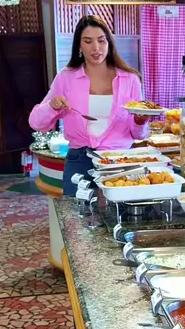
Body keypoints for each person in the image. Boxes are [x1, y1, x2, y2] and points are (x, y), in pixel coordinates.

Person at [29, 14, 149, 196]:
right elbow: (36, 123)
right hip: (79, 160)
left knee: (119, 212)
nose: (96, 48)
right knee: (77, 213)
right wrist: (52, 106)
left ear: (109, 43)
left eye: (101, 40)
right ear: (79, 45)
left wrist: (140, 121)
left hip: (119, 161)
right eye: (87, 41)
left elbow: (138, 134)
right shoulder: (66, 78)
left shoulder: (130, 79)